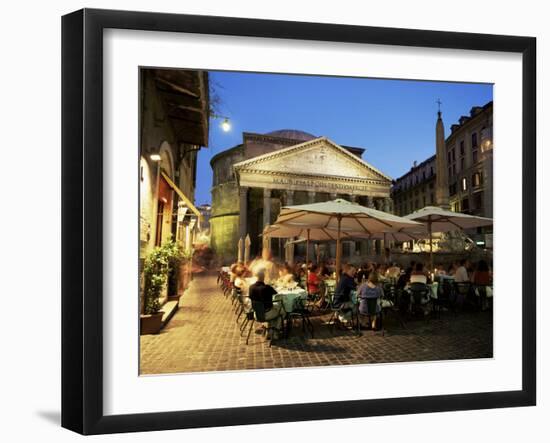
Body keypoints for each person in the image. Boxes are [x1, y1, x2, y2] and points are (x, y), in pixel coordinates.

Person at [248, 268, 285, 336]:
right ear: (264, 277)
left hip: (256, 314)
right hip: (266, 314)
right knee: (282, 311)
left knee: (274, 309)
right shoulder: (266, 288)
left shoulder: (251, 287)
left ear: (256, 277)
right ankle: (275, 331)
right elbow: (276, 293)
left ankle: (269, 329)